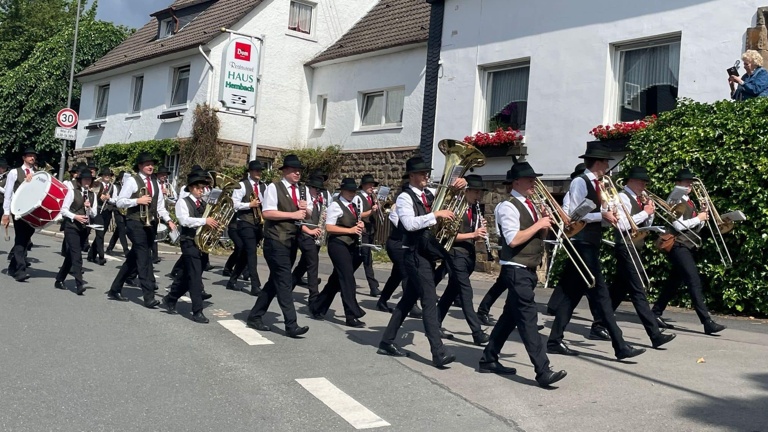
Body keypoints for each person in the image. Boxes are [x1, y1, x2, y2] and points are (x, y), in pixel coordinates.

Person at [547, 143, 645, 360]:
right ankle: (620, 345)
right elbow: (573, 214)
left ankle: (554, 340)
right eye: (606, 162)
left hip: (591, 242)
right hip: (581, 243)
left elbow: (597, 214)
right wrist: (602, 216)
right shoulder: (580, 182)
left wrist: (610, 215)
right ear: (598, 163)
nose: (608, 166)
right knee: (601, 293)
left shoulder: (600, 184)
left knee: (572, 295)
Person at [478, 162, 567, 387]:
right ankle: (542, 371)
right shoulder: (507, 206)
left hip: (527, 269)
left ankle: (488, 358)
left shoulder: (530, 204)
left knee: (509, 317)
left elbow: (539, 236)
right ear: (516, 182)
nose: (533, 184)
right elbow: (513, 239)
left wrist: (545, 223)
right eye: (529, 180)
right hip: (515, 268)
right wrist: (538, 224)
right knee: (528, 320)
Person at [377, 156, 465, 368]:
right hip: (414, 254)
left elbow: (449, 196)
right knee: (428, 300)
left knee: (407, 300)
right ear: (412, 176)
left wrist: (459, 186)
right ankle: (438, 351)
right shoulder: (405, 198)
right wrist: (435, 215)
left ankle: (386, 341)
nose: (427, 176)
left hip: (426, 253)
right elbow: (408, 224)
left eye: (427, 172)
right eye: (423, 173)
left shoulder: (428, 193)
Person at [652, 168, 727, 335]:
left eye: (690, 183)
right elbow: (678, 225)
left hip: (687, 245)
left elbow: (694, 226)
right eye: (686, 182)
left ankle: (655, 313)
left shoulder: (689, 200)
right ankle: (706, 321)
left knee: (674, 281)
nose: (689, 185)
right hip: (678, 244)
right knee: (693, 280)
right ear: (677, 183)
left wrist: (703, 216)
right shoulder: (674, 198)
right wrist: (698, 218)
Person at [608, 166, 676, 349]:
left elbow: (642, 224)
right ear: (631, 181)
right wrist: (645, 212)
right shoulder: (621, 197)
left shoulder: (639, 198)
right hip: (626, 246)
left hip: (635, 246)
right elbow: (621, 224)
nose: (644, 186)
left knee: (619, 289)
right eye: (642, 182)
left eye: (646, 183)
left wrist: (649, 213)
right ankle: (654, 335)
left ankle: (599, 324)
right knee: (638, 290)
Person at [245, 154, 310, 338]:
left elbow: (305, 213)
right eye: (294, 170)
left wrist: (306, 209)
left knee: (275, 281)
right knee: (284, 281)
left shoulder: (300, 189)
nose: (298, 173)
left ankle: (255, 316)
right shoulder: (274, 187)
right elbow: (267, 212)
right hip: (275, 241)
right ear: (285, 171)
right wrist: (294, 215)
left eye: (300, 170)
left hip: (291, 241)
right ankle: (291, 324)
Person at [107, 153, 176, 308]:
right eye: (146, 164)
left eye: (151, 163)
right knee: (144, 258)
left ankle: (115, 289)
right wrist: (137, 200)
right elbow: (120, 202)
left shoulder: (156, 182)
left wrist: (169, 221)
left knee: (133, 257)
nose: (150, 166)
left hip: (150, 223)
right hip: (135, 223)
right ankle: (148, 296)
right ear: (139, 166)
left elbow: (159, 206)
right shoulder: (132, 180)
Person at [436, 174, 490, 345]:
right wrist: (473, 234)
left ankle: (434, 322)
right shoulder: (454, 208)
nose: (478, 196)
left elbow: (473, 236)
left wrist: (480, 231)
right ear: (467, 191)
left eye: (480, 192)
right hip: (455, 253)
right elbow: (446, 236)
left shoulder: (474, 209)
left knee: (451, 291)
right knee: (466, 293)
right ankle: (477, 332)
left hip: (468, 254)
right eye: (475, 192)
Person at [309, 178, 368, 326]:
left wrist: (360, 226)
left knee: (336, 280)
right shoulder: (336, 205)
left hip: (350, 245)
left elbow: (355, 226)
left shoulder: (354, 205)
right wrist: (350, 230)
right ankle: (351, 314)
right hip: (337, 245)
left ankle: (318, 307)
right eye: (349, 190)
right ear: (342, 190)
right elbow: (329, 227)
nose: (352, 193)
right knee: (348, 279)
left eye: (354, 191)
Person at [162, 171, 217, 324]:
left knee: (187, 275)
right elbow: (184, 220)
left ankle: (170, 298)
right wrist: (205, 221)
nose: (202, 190)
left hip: (201, 243)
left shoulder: (204, 204)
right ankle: (197, 311)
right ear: (191, 188)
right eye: (199, 187)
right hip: (189, 241)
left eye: (203, 188)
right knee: (195, 276)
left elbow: (207, 221)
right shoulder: (183, 202)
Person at [375, 175, 423, 318]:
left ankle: (382, 301)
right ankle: (411, 305)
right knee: (407, 274)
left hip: (404, 244)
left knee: (396, 275)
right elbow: (402, 226)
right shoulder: (398, 208)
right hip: (396, 244)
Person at [227, 160, 266, 295]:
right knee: (251, 253)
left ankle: (232, 281)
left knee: (245, 253)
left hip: (257, 223)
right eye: (256, 170)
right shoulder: (242, 185)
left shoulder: (263, 186)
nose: (259, 173)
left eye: (260, 171)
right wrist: (249, 205)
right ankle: (255, 285)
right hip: (244, 223)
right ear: (250, 171)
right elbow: (234, 204)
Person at [55, 169, 97, 295]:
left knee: (70, 255)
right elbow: (63, 210)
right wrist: (75, 217)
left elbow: (94, 213)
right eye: (85, 180)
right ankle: (79, 284)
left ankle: (59, 279)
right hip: (71, 227)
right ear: (80, 181)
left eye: (89, 180)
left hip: (84, 228)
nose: (87, 182)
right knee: (76, 255)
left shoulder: (92, 195)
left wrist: (89, 208)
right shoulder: (72, 193)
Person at [2, 148, 38, 282]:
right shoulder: (14, 172)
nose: (32, 158)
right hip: (18, 210)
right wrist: (6, 213)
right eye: (29, 156)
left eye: (33, 156)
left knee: (25, 239)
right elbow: (8, 193)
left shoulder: (37, 174)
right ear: (24, 158)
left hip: (32, 212)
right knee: (20, 238)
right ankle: (20, 270)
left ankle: (13, 267)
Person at [291, 174, 325, 304]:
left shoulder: (319, 200)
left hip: (314, 236)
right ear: (310, 187)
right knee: (313, 264)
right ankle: (313, 297)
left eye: (319, 189)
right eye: (316, 188)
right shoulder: (303, 200)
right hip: (305, 235)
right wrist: (310, 230)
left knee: (303, 265)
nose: (318, 191)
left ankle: (288, 288)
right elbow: (299, 221)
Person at [357, 174, 381, 297]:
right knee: (366, 259)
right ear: (364, 185)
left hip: (370, 230)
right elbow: (358, 214)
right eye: (370, 185)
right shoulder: (359, 197)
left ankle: (340, 280)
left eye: (373, 185)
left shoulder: (371, 197)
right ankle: (373, 286)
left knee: (359, 259)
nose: (372, 187)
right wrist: (372, 210)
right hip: (363, 231)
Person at [87, 167, 115, 266]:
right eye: (105, 175)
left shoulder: (113, 187)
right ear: (102, 176)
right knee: (99, 233)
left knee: (101, 234)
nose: (107, 177)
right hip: (98, 211)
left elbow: (116, 200)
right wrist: (100, 197)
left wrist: (109, 198)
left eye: (109, 175)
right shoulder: (97, 184)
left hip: (107, 212)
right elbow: (92, 195)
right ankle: (101, 256)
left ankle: (91, 255)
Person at [106, 171, 130, 255]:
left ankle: (109, 248)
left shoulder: (128, 188)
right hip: (117, 209)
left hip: (126, 210)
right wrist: (118, 200)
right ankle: (126, 250)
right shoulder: (116, 187)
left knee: (119, 230)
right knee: (122, 229)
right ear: (120, 179)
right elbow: (113, 199)